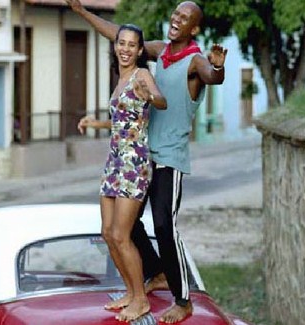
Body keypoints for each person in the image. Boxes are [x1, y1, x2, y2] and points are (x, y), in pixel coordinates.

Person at [65, 1, 228, 323]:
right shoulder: (162, 52)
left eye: (185, 18)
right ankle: (157, 272)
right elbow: (121, 36)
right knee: (128, 227)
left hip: (169, 158)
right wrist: (82, 12)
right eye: (176, 14)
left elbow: (212, 77)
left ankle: (183, 299)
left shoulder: (194, 60)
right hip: (142, 154)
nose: (176, 19)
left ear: (194, 29)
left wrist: (218, 67)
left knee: (165, 226)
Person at [77, 24, 167, 322]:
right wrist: (96, 123)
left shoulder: (141, 75)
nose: (126, 49)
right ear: (115, 46)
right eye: (122, 43)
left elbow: (159, 100)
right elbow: (123, 121)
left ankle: (141, 300)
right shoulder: (121, 78)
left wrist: (151, 95)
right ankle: (130, 291)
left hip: (133, 163)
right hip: (114, 160)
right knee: (107, 233)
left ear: (140, 50)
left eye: (132, 45)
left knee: (121, 233)